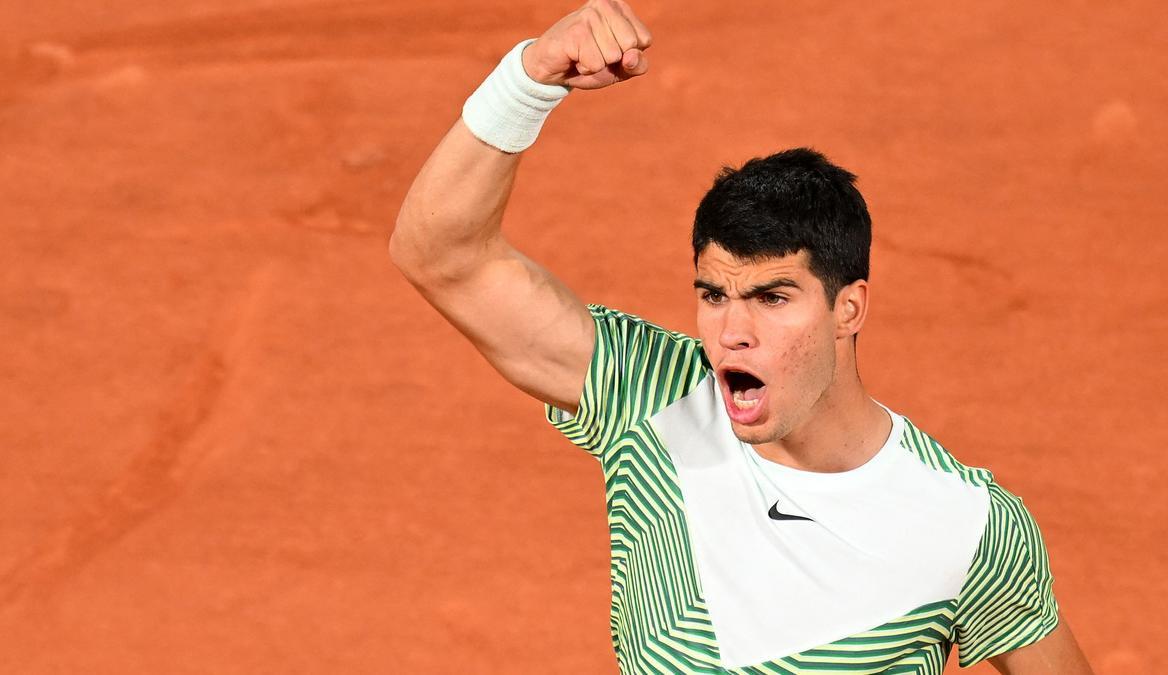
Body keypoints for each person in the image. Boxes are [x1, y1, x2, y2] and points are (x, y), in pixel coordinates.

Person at [389, 2, 1094, 673]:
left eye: (772, 298)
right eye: (714, 295)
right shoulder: (647, 397)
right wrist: (529, 79)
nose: (732, 332)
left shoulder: (965, 525)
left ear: (849, 308)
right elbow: (441, 254)